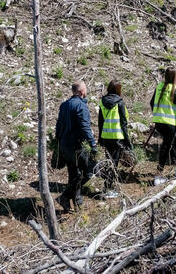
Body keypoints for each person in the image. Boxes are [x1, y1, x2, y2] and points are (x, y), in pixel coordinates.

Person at [55, 81, 97, 210]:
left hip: (65, 144)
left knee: (74, 173)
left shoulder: (64, 105)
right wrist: (93, 144)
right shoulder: (81, 106)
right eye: (86, 89)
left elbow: (59, 125)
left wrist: (58, 142)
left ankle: (77, 200)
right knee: (89, 171)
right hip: (76, 145)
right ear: (82, 92)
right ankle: (65, 196)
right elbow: (85, 127)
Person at [97, 80, 132, 197]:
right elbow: (124, 124)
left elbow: (100, 122)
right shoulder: (120, 103)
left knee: (109, 161)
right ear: (118, 89)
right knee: (114, 164)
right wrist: (128, 141)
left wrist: (100, 138)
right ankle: (108, 188)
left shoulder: (102, 102)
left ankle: (108, 186)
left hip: (106, 137)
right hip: (117, 137)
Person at [150, 69, 176, 183]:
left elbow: (151, 102)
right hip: (170, 123)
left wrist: (157, 114)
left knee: (169, 144)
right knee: (166, 147)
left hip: (159, 122)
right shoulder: (175, 88)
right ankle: (158, 175)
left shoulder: (159, 87)